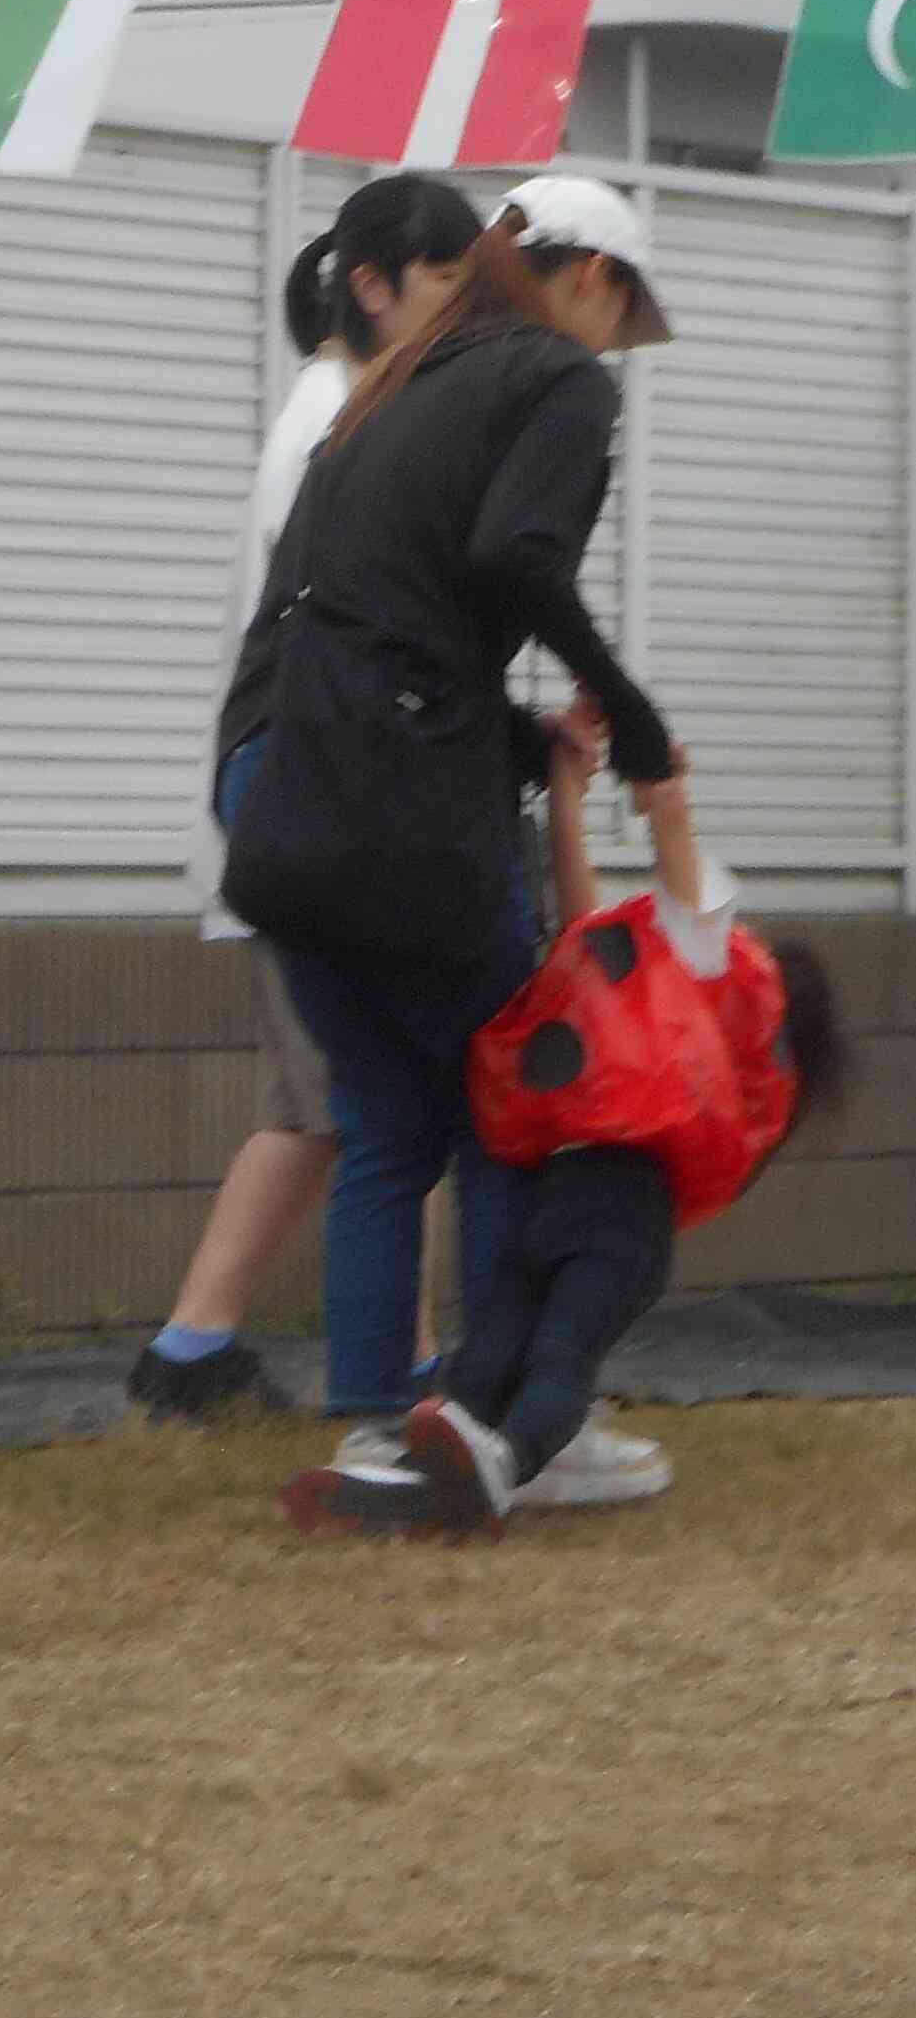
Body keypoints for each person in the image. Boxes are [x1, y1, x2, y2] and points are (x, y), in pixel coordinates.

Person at [213, 174, 677, 1430]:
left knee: (380, 1127)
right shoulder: (558, 380)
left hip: (277, 791)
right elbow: (512, 557)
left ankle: (378, 1415)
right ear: (591, 276)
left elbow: (371, 611)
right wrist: (626, 712)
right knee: (507, 1108)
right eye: (618, 308)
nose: (611, 341)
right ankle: (501, 1418)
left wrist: (520, 739)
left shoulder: (387, 388)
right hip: (401, 799)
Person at [284, 726, 843, 1536]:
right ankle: (426, 1474)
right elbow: (585, 921)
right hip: (581, 1205)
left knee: (555, 1358)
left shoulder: (723, 986)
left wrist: (659, 795)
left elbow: (684, 879)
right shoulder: (662, 995)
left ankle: (498, 1471)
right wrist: (568, 792)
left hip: (607, 1206)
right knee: (484, 1362)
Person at [129, 227, 368, 1423]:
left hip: (284, 821)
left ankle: (192, 1349)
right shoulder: (333, 430)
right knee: (365, 1107)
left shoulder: (322, 417)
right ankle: (399, 1371)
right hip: (302, 822)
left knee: (320, 1105)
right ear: (373, 291)